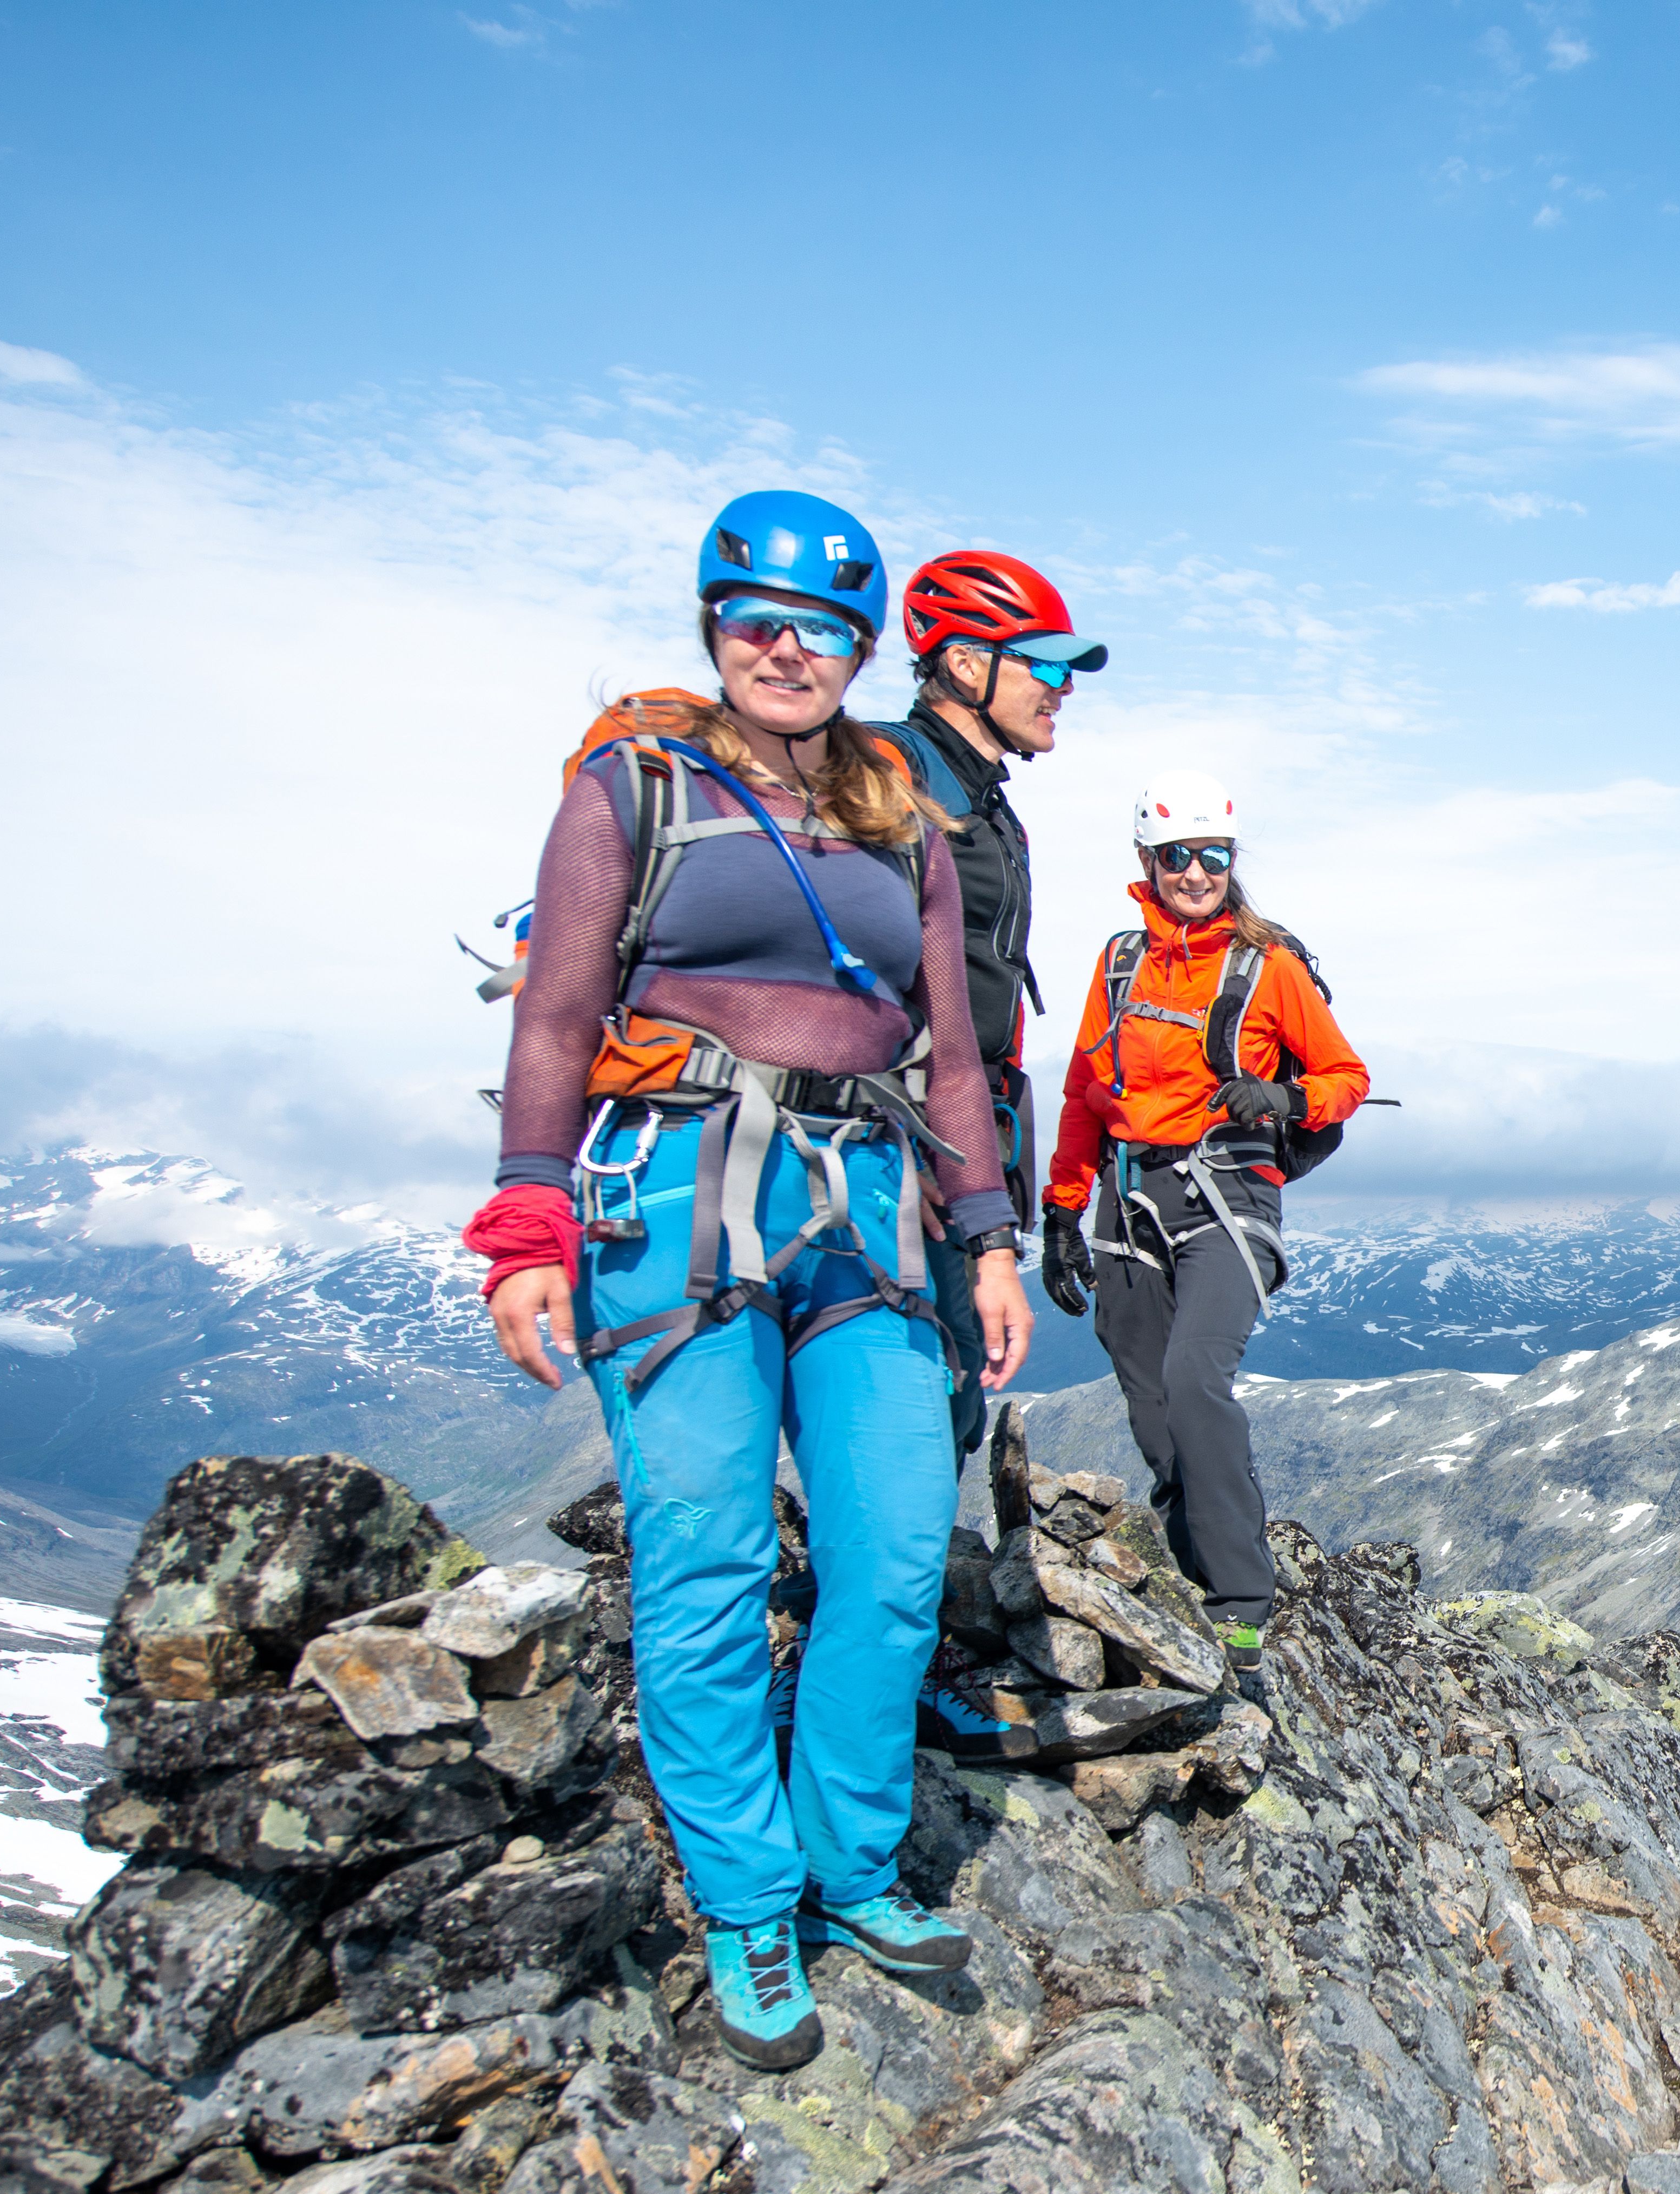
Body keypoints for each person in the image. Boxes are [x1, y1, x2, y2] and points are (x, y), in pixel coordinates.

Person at [465, 487, 1033, 2074]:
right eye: (757, 622)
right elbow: (555, 1017)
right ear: (713, 624)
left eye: (824, 629)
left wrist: (987, 1237)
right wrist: (525, 1224)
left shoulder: (896, 815)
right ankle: (748, 1898)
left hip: (867, 1204)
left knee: (900, 1547)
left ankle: (852, 1865)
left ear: (862, 646)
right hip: (674, 1200)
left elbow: (952, 1048)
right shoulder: (634, 781)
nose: (788, 650)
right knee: (704, 1559)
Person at [1038, 775, 1367, 1705]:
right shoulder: (1118, 964)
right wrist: (1062, 1209)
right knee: (1151, 1407)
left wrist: (1287, 1098)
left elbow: (1346, 1074)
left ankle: (1239, 1607)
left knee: (1194, 1381)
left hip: (1228, 1198)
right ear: (1148, 862)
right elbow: (1082, 1095)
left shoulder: (1268, 969)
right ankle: (1188, 1566)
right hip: (1127, 1201)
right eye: (1177, 856)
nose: (1195, 873)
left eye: (1212, 857)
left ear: (1232, 862)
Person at [866, 550, 1103, 1464]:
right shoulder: (892, 775)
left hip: (973, 1131)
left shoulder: (984, 799)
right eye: (1043, 664)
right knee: (928, 1383)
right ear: (967, 664)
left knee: (953, 1388)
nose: (1062, 689)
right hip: (912, 1145)